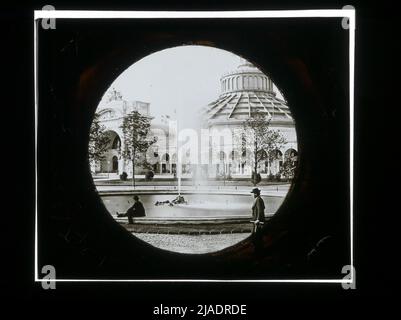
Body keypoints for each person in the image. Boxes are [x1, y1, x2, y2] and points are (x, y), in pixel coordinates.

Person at [250, 187, 265, 254]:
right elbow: (263, 207)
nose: (251, 195)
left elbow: (260, 210)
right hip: (256, 220)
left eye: (252, 193)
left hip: (257, 222)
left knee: (256, 237)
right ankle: (258, 250)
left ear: (255, 193)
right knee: (256, 237)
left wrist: (258, 219)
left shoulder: (258, 199)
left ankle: (258, 251)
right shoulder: (258, 199)